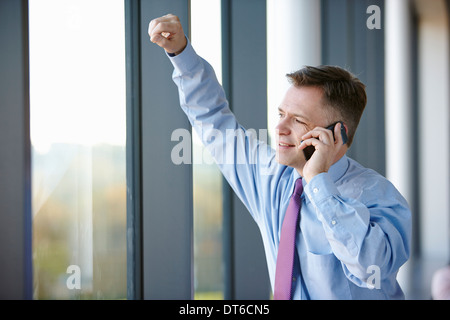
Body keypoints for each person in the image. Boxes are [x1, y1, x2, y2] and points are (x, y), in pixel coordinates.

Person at [148, 14, 411, 300]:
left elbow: (372, 268)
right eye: (281, 114)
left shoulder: (379, 195)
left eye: (297, 120)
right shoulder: (271, 176)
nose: (279, 128)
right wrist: (181, 52)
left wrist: (318, 184)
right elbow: (215, 121)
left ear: (338, 135)